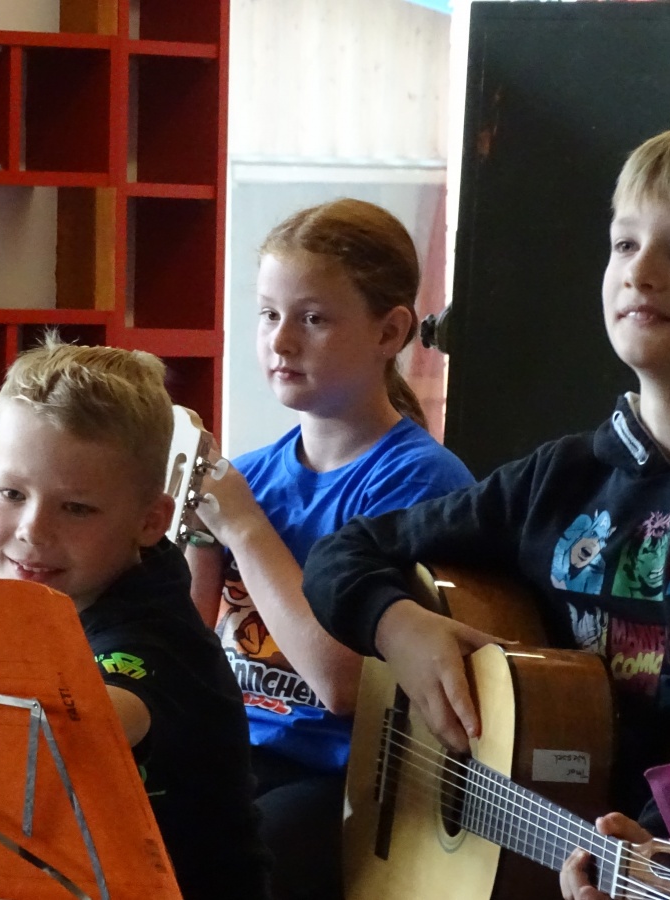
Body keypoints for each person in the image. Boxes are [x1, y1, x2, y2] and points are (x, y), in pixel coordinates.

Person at [299, 122, 670, 900]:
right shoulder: (560, 478)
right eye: (624, 243)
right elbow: (343, 552)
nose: (641, 272)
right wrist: (401, 628)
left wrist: (656, 852)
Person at [187, 198, 475, 900]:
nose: (281, 341)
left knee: (236, 864)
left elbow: (340, 686)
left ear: (390, 331)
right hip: (236, 752)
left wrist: (243, 529)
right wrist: (188, 531)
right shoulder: (246, 476)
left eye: (313, 319)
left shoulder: (420, 481)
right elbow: (188, 650)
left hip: (344, 776)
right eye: (268, 315)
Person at [0, 338, 270, 900]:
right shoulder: (47, 548)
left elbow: (83, 719)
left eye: (77, 508)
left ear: (151, 521)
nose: (32, 530)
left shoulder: (155, 637)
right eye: (12, 493)